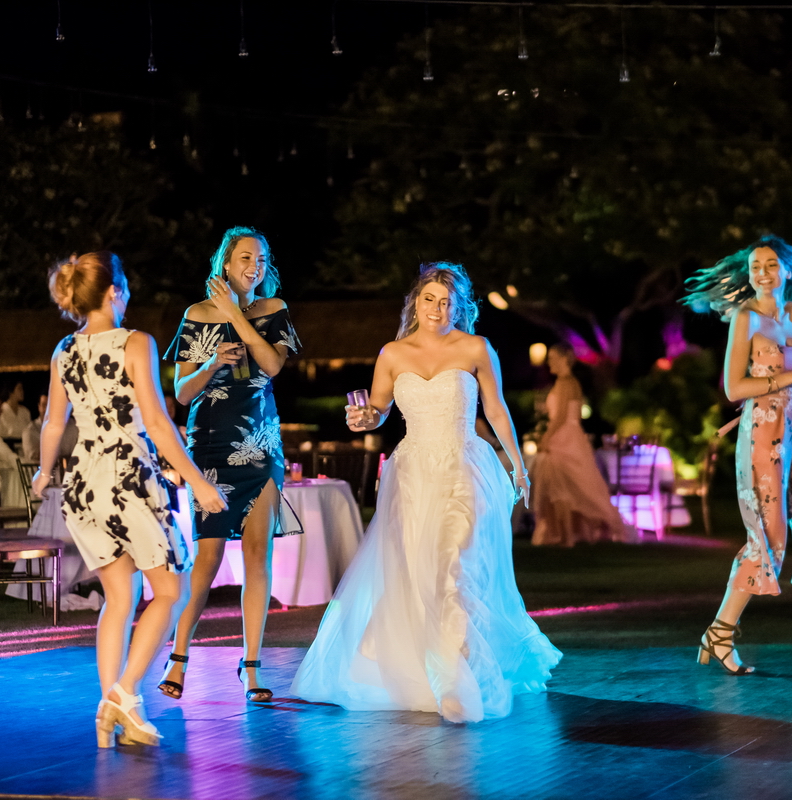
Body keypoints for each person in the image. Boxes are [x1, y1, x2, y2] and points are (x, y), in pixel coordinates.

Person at [290, 262, 561, 723]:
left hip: (464, 468)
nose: (437, 308)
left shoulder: (476, 348)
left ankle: (454, 680)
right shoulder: (393, 353)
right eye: (429, 299)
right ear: (415, 303)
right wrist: (363, 419)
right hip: (413, 475)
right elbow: (378, 409)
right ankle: (427, 669)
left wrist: (517, 464)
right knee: (417, 573)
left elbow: (496, 409)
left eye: (446, 302)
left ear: (459, 307)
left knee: (455, 567)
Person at [31, 252, 224, 748]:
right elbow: (157, 422)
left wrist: (43, 472)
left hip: (83, 487)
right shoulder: (136, 342)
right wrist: (197, 481)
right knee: (171, 592)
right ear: (114, 291)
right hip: (129, 480)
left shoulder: (63, 350)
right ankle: (124, 693)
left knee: (119, 599)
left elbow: (54, 423)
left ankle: (114, 711)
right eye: (127, 285)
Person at [681, 235, 792, 675]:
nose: (763, 273)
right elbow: (734, 388)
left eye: (771, 264)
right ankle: (719, 633)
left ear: (787, 270)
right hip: (763, 433)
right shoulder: (745, 318)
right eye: (756, 266)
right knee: (768, 532)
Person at [158, 226, 301, 704]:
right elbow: (181, 393)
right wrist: (212, 364)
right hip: (211, 446)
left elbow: (273, 365)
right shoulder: (196, 316)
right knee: (209, 556)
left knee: (259, 554)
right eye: (245, 257)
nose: (254, 266)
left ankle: (252, 665)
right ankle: (178, 656)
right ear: (225, 261)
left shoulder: (273, 310)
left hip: (261, 446)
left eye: (260, 259)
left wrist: (236, 314)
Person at [531, 343, 630, 546]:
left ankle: (567, 536)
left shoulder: (566, 383)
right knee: (561, 488)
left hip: (564, 438)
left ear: (564, 359)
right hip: (568, 436)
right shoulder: (566, 382)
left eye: (553, 358)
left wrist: (546, 437)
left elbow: (560, 416)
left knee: (562, 489)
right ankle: (565, 535)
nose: (549, 362)